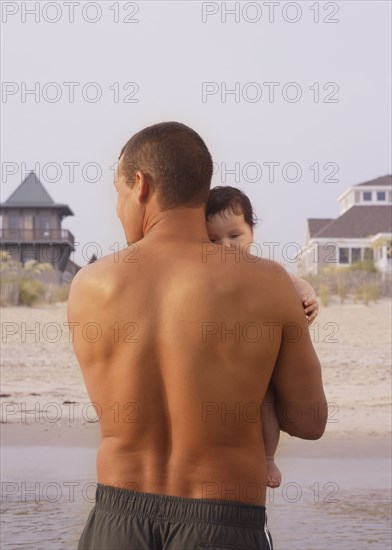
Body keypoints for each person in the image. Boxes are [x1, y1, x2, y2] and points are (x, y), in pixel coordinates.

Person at [69, 121, 327, 550]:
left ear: (140, 185)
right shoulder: (268, 283)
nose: (118, 210)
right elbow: (309, 421)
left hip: (117, 519)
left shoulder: (91, 286)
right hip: (224, 521)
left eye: (118, 194)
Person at [205, 186, 319, 489]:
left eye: (234, 236)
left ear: (251, 232)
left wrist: (308, 295)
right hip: (223, 359)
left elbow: (294, 282)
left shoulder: (264, 270)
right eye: (213, 240)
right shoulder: (203, 273)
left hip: (258, 357)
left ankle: (268, 457)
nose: (226, 247)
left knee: (266, 401)